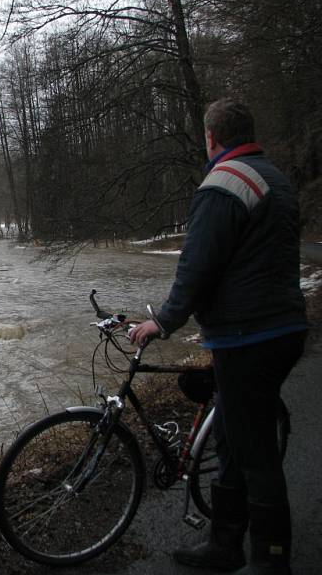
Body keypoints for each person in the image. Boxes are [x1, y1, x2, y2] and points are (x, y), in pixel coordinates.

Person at [129, 98, 308, 574]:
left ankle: (270, 560)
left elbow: (197, 266)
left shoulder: (223, 184)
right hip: (282, 327)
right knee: (232, 436)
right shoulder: (275, 178)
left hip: (250, 335)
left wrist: (162, 322)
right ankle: (224, 544)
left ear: (211, 138)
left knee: (255, 453)